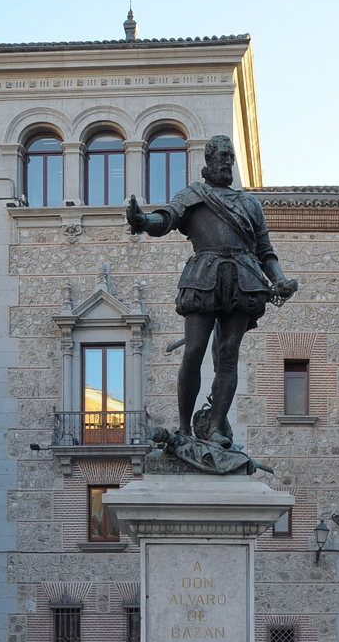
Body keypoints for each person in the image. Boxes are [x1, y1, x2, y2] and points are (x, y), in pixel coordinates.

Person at [126, 134, 297, 447]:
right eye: (222, 155)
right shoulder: (194, 195)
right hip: (204, 277)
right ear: (208, 159)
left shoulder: (249, 203)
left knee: (228, 356)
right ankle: (183, 428)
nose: (228, 160)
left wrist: (280, 279)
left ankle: (216, 426)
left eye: (231, 156)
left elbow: (265, 251)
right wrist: (141, 220)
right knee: (193, 351)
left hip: (244, 280)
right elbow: (165, 219)